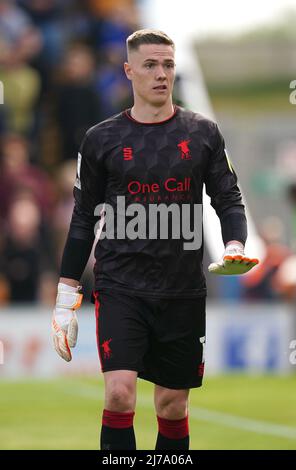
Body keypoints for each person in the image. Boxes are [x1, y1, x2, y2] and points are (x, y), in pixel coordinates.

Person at [51, 29, 259, 450]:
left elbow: (229, 199)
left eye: (167, 64)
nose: (161, 73)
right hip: (120, 286)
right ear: (129, 71)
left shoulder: (203, 133)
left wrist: (234, 243)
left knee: (172, 406)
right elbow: (82, 220)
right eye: (150, 64)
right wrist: (65, 294)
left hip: (181, 288)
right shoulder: (100, 139)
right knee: (119, 394)